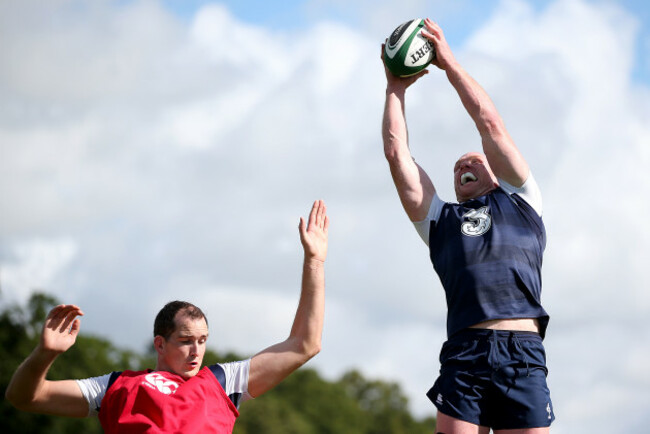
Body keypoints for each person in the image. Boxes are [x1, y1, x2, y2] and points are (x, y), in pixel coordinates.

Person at [5, 200, 329, 433]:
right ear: (160, 343)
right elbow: (25, 397)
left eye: (202, 341)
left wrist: (314, 262)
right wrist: (44, 354)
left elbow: (304, 344)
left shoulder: (222, 381)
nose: (196, 351)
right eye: (186, 341)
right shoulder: (116, 386)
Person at [381, 19, 553, 433]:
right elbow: (397, 154)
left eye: (475, 160)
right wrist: (396, 87)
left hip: (522, 352)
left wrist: (449, 64)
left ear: (496, 172)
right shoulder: (440, 221)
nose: (464, 163)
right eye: (458, 165)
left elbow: (489, 122)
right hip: (465, 352)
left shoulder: (521, 199)